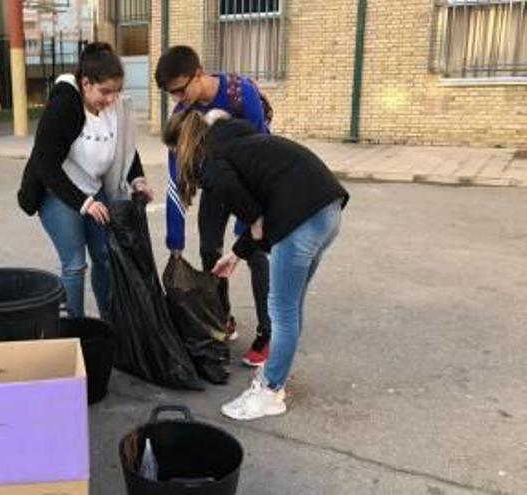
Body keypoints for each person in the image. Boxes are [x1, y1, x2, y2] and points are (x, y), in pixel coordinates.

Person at [164, 109, 348, 420]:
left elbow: (235, 192)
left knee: (282, 310)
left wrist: (253, 217)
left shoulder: (210, 159)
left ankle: (270, 390)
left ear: (182, 145)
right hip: (328, 212)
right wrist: (236, 253)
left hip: (301, 219)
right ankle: (276, 374)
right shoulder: (236, 142)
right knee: (291, 305)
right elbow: (264, 204)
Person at [155, 45, 274, 366]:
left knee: (256, 252)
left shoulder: (240, 93)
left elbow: (263, 151)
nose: (178, 99)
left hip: (252, 185)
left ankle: (267, 332)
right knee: (210, 250)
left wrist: (248, 220)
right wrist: (175, 243)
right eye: (171, 94)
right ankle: (223, 317)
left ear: (198, 74)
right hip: (216, 186)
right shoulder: (180, 114)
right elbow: (176, 180)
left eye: (180, 90)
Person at [18, 42, 153, 320]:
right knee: (75, 265)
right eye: (104, 91)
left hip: (93, 188)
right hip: (58, 191)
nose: (110, 99)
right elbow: (46, 165)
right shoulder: (65, 104)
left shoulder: (114, 107)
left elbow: (125, 148)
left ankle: (109, 322)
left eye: (116, 91)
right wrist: (84, 203)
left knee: (105, 258)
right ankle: (76, 329)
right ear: (86, 83)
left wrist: (137, 179)